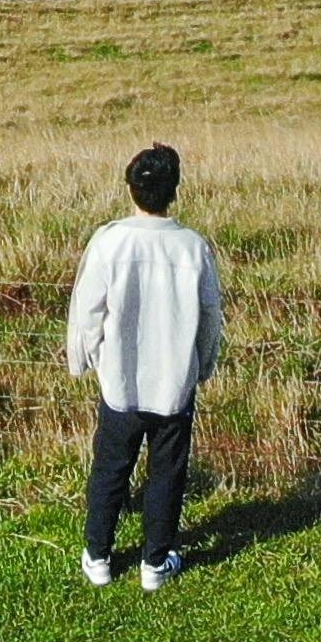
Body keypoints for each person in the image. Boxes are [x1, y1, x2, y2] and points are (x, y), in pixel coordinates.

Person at [65, 141, 223, 589]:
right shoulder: (193, 248)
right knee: (167, 472)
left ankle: (98, 554)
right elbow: (210, 315)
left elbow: (88, 308)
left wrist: (86, 356)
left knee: (111, 468)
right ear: (174, 190)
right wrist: (203, 364)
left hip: (121, 379)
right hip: (174, 383)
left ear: (132, 189)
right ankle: (155, 563)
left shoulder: (110, 241)